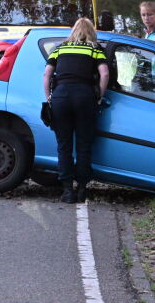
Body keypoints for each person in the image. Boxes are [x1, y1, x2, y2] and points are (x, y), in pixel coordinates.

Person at [43, 17, 109, 203]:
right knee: (84, 145)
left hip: (61, 97)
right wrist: (99, 96)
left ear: (73, 31)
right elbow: (104, 73)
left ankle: (67, 191)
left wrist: (49, 97)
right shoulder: (94, 49)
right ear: (91, 32)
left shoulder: (60, 48)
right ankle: (81, 189)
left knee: (63, 145)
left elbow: (47, 74)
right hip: (84, 96)